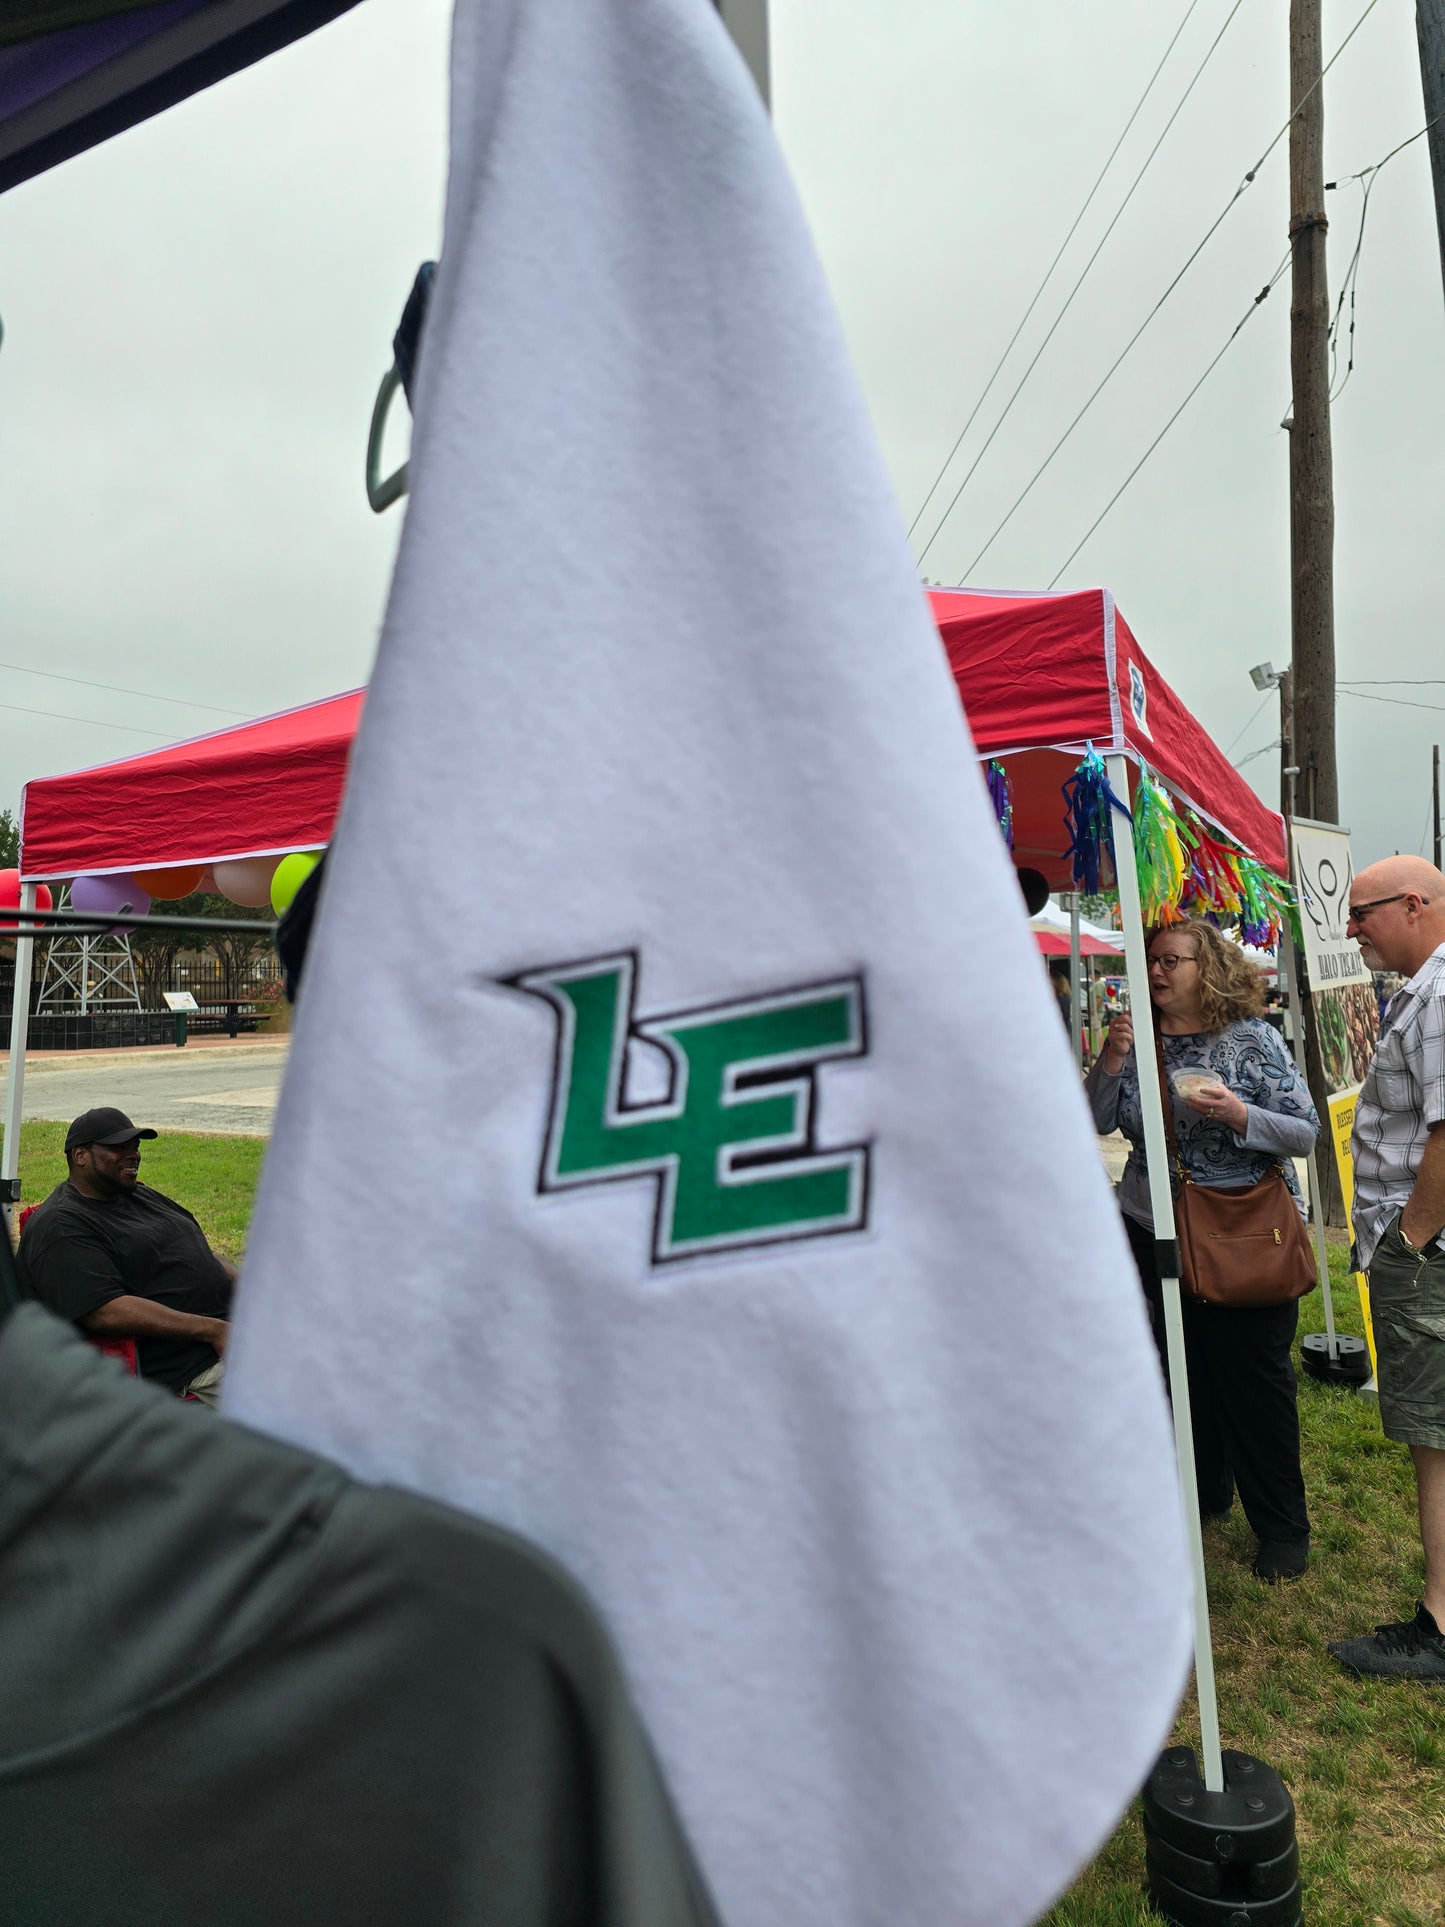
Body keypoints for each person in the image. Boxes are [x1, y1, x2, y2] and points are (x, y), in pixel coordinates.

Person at [1086, 919, 1319, 1581]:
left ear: (1206, 965)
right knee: (1175, 1370)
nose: (1155, 971)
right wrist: (1108, 1060)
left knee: (1252, 1382)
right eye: (1149, 960)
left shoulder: (1252, 1039)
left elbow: (1302, 1133)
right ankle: (1203, 1491)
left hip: (1238, 1231)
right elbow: (1096, 1120)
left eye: (1170, 960)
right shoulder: (1136, 1040)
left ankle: (1280, 1528)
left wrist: (1239, 1115)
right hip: (1147, 1226)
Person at [1328, 857, 1445, 1681]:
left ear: (1413, 904)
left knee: (1431, 1436)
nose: (1350, 927)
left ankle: (1437, 1623)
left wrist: (1408, 1236)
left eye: (1361, 911)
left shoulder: (1436, 996)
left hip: (1427, 1253)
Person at [19, 1107, 233, 1405]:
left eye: (135, 1147)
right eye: (119, 1147)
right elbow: (105, 1311)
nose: (133, 1155)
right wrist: (213, 1330)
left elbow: (204, 1254)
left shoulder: (139, 1196)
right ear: (80, 1155)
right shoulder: (61, 1224)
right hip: (188, 1361)